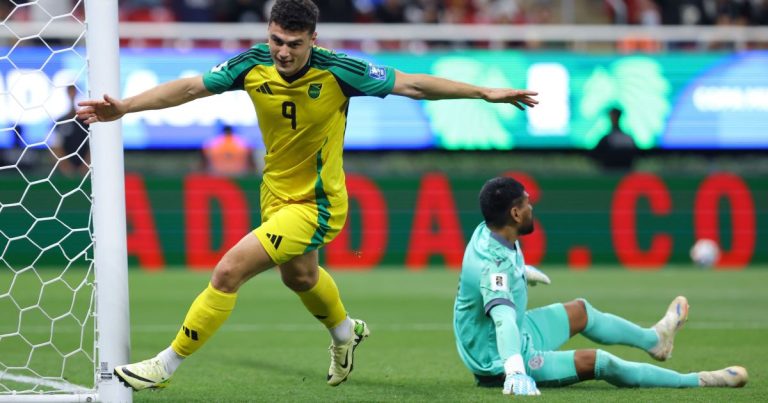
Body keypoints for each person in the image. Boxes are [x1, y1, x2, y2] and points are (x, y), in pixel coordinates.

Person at [76, 0, 538, 392]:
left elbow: (413, 84)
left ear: (313, 40)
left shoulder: (341, 71)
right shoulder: (251, 63)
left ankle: (165, 365)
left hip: (317, 205)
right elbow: (191, 87)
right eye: (277, 40)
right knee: (299, 277)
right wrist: (126, 107)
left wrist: (484, 93)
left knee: (228, 271)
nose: (283, 52)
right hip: (275, 195)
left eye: (294, 44)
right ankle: (345, 332)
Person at [453, 176, 748, 396]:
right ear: (515, 214)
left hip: (517, 331)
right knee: (599, 362)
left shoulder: (492, 230)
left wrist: (521, 272)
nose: (531, 207)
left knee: (580, 311)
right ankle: (699, 380)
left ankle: (655, 340)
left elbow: (493, 276)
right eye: (526, 203)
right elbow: (503, 319)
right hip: (497, 356)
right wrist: (515, 371)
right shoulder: (494, 264)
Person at [54, 85, 90, 176]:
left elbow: (92, 143)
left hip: (86, 169)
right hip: (65, 171)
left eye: (73, 91)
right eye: (70, 92)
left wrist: (86, 165)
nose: (72, 94)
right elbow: (56, 146)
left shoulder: (85, 120)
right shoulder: (60, 121)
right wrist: (65, 166)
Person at [591, 107, 638, 171]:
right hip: (609, 172)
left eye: (614, 116)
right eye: (612, 116)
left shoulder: (627, 138)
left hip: (623, 172)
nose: (613, 119)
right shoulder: (606, 138)